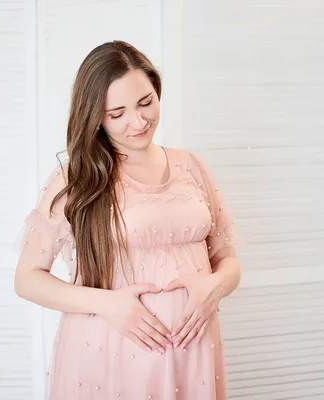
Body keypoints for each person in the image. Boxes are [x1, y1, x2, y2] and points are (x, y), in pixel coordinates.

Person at [13, 40, 241, 399]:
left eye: (146, 102)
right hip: (110, 350)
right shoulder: (76, 178)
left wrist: (215, 287)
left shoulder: (191, 166)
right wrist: (108, 304)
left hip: (193, 352)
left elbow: (227, 261)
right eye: (116, 113)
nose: (138, 121)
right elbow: (26, 280)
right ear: (95, 117)